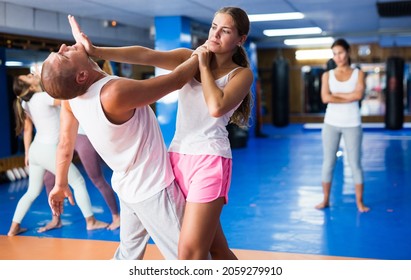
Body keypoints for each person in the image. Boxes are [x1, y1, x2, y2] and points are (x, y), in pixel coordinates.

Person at [67, 6, 254, 259]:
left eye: (226, 31)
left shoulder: (242, 74)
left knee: (188, 254)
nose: (216, 34)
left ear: (240, 40)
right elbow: (146, 55)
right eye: (213, 27)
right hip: (176, 158)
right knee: (216, 249)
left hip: (209, 162)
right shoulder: (190, 57)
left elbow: (216, 106)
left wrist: (203, 64)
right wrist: (96, 51)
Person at [40, 38, 199, 259]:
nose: (64, 47)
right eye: (64, 55)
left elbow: (66, 145)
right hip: (152, 188)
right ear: (81, 76)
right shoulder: (113, 93)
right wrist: (202, 53)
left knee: (127, 256)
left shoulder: (72, 98)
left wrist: (60, 183)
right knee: (189, 258)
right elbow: (177, 80)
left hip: (127, 188)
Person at [7, 73, 108, 236]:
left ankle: (13, 228)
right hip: (49, 150)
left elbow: (27, 130)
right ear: (31, 87)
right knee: (78, 182)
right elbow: (70, 100)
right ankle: (91, 221)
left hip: (35, 151)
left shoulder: (26, 103)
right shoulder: (42, 97)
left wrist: (27, 153)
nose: (31, 74)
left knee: (32, 191)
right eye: (28, 77)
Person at [316, 38, 370, 213]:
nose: (337, 57)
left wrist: (337, 95)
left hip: (352, 123)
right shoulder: (327, 75)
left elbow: (358, 95)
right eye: (334, 54)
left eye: (340, 52)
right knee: (328, 162)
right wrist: (348, 95)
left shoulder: (358, 73)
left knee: (355, 163)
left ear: (348, 52)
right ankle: (325, 200)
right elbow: (326, 98)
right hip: (331, 123)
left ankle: (359, 203)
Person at [41, 126, 120, 232]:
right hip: (66, 138)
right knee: (49, 179)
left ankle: (116, 217)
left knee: (97, 179)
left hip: (83, 136)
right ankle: (56, 219)